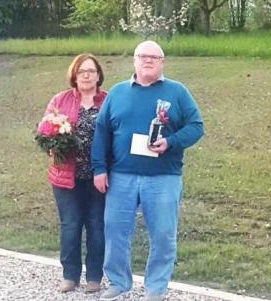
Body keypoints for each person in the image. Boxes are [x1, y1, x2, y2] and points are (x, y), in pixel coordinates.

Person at [91, 41, 204, 301]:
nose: (148, 61)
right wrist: (99, 168)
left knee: (163, 234)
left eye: (154, 57)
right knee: (115, 230)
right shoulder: (117, 93)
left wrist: (171, 142)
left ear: (162, 62)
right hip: (122, 176)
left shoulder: (177, 92)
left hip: (163, 177)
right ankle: (119, 281)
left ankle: (156, 287)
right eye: (143, 56)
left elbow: (196, 126)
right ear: (134, 60)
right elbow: (102, 132)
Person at [40, 54, 108, 293]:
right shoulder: (61, 100)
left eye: (91, 71)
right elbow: (44, 130)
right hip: (66, 177)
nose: (87, 75)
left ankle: (94, 277)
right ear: (74, 75)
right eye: (82, 71)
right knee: (70, 225)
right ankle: (70, 274)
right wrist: (54, 142)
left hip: (98, 177)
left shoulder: (108, 101)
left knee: (96, 226)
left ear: (99, 75)